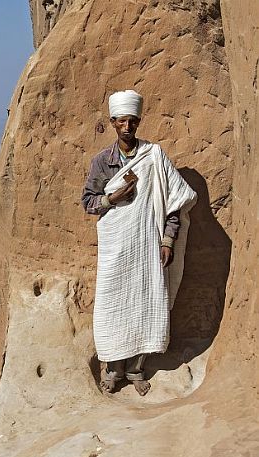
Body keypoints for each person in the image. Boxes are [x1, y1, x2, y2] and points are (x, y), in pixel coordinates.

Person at [81, 90, 197, 396]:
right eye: (121, 121)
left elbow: (175, 203)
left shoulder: (154, 157)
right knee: (114, 304)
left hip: (147, 247)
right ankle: (112, 370)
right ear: (113, 123)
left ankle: (135, 369)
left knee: (146, 303)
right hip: (116, 247)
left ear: (138, 122)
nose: (127, 126)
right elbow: (88, 202)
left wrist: (168, 240)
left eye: (132, 121)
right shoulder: (102, 163)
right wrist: (112, 197)